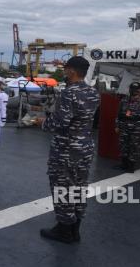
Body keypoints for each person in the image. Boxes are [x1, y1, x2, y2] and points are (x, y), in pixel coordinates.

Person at [37, 56, 99, 244]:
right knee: (79, 188)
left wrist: (42, 122)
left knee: (63, 188)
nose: (64, 72)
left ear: (72, 71)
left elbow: (61, 122)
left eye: (66, 69)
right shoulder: (94, 92)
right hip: (85, 148)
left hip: (66, 149)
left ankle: (64, 231)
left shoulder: (69, 92)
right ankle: (75, 229)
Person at [115, 82, 140, 173]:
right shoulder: (124, 100)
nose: (133, 91)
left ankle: (131, 166)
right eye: (132, 89)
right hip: (124, 127)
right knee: (123, 146)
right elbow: (118, 114)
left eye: (136, 89)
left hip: (137, 128)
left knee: (134, 146)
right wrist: (117, 125)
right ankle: (124, 164)